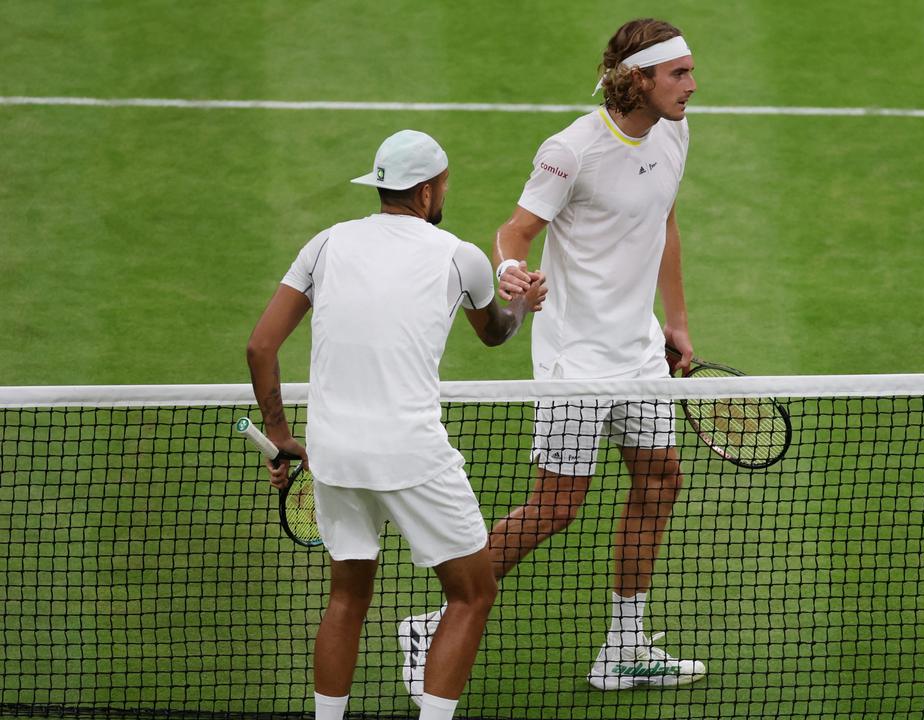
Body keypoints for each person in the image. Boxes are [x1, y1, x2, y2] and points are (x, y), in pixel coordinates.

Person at [400, 17, 704, 692]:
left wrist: (675, 322)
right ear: (638, 80)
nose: (692, 84)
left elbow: (665, 220)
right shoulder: (571, 151)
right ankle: (431, 620)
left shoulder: (674, 132)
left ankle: (624, 648)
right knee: (557, 506)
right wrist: (511, 272)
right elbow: (515, 231)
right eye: (678, 73)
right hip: (578, 360)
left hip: (639, 350)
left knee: (660, 481)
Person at [247, 129, 545, 720]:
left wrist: (280, 436)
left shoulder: (327, 244)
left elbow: (260, 347)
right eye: (445, 185)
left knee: (348, 596)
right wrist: (522, 304)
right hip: (410, 454)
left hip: (334, 453)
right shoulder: (460, 256)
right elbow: (494, 334)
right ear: (430, 190)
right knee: (473, 591)